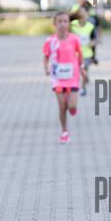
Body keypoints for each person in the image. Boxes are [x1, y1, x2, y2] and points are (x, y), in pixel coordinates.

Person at [43, 11, 84, 144]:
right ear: (55, 24)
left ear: (69, 24)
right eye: (59, 21)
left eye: (65, 21)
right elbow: (46, 57)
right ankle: (64, 131)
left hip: (72, 77)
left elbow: (80, 54)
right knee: (62, 106)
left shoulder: (74, 39)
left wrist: (82, 68)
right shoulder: (51, 41)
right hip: (58, 78)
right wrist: (46, 68)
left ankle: (72, 108)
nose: (62, 24)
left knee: (71, 105)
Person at [70, 7, 95, 96]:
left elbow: (94, 39)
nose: (86, 15)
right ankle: (78, 84)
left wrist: (92, 43)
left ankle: (83, 87)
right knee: (78, 71)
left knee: (84, 71)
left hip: (87, 54)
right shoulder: (72, 25)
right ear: (79, 16)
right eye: (83, 13)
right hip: (75, 54)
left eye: (86, 13)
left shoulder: (90, 26)